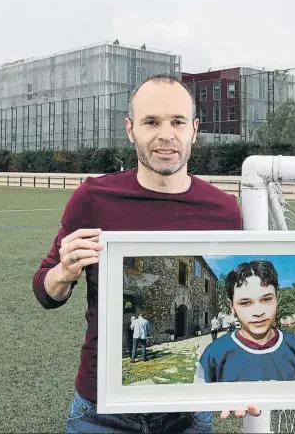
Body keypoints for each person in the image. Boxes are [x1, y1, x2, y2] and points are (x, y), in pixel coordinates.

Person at [33, 74, 260, 433]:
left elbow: (239, 298)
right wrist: (63, 271)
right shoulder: (93, 198)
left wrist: (240, 376)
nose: (165, 134)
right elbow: (45, 293)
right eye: (151, 121)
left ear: (194, 130)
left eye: (177, 122)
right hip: (99, 411)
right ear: (130, 129)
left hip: (188, 413)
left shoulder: (223, 209)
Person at [196, 260, 295, 383]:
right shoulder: (214, 355)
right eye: (245, 303)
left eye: (266, 299)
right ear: (232, 307)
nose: (258, 312)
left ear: (276, 299)